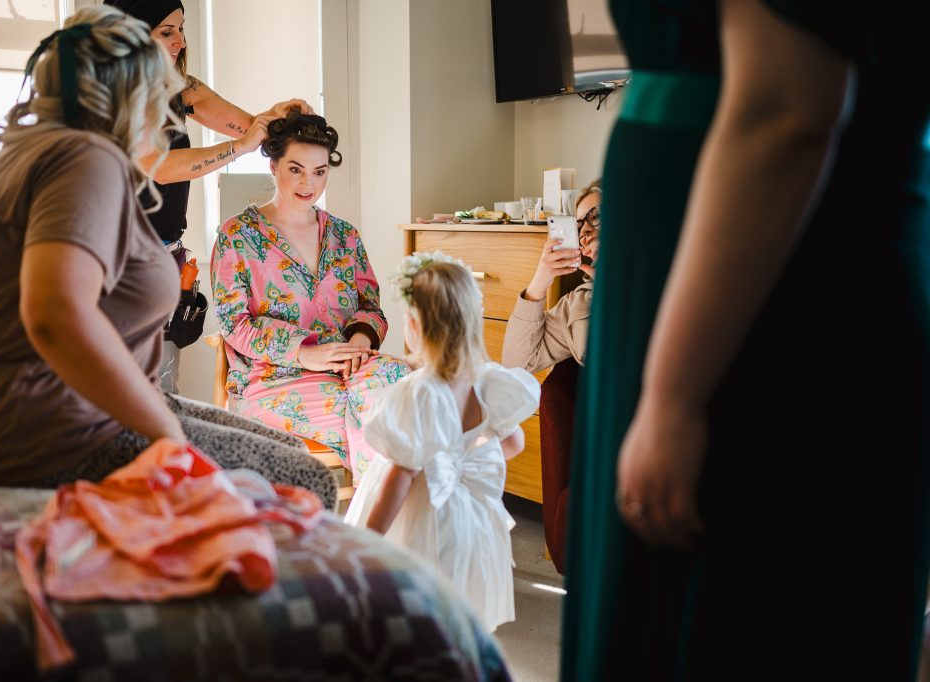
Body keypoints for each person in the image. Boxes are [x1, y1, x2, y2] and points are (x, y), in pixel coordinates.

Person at [561, 1, 930, 680]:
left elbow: (786, 103)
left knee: (722, 615)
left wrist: (673, 395)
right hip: (706, 267)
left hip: (754, 292)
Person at [0, 6, 337, 509]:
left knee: (284, 450)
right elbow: (55, 317)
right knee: (304, 482)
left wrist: (259, 131)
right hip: (33, 431)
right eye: (162, 99)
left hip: (23, 414)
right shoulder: (83, 162)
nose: (171, 118)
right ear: (130, 100)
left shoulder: (34, 154)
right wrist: (167, 438)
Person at [104, 0, 314, 393]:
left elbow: (249, 126)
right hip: (119, 268)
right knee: (124, 395)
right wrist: (239, 148)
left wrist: (277, 118)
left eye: (181, 29)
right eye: (167, 31)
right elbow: (158, 165)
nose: (181, 42)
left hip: (165, 258)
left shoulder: (179, 89)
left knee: (164, 389)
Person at [343, 253, 540, 632]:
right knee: (459, 612)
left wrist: (368, 542)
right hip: (472, 521)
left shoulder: (416, 393)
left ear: (414, 326)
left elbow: (400, 479)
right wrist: (462, 457)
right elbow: (512, 442)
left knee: (414, 612)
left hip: (422, 520)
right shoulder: (488, 383)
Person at [210, 111, 411, 482]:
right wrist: (305, 352)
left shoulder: (344, 236)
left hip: (352, 370)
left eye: (319, 172)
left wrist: (359, 343)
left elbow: (371, 308)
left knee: (409, 393)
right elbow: (233, 324)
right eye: (296, 169)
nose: (309, 183)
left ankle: (375, 525)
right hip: (274, 379)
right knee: (390, 428)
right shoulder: (237, 235)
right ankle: (382, 528)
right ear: (272, 165)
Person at [501, 179, 601, 373]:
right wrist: (540, 281)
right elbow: (515, 365)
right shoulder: (576, 305)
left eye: (596, 216)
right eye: (579, 227)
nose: (585, 231)